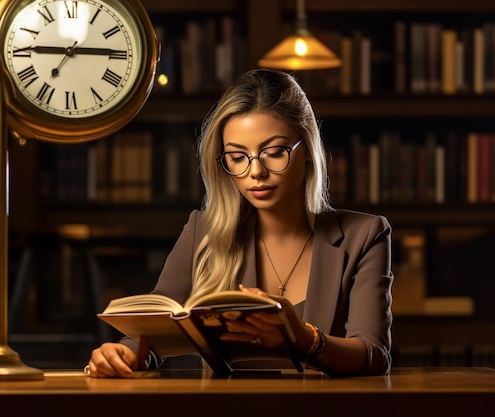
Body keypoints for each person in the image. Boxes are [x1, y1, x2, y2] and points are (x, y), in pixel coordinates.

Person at [87, 68, 393, 378]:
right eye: (237, 156)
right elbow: (152, 329)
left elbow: (373, 355)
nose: (255, 172)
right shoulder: (202, 231)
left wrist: (304, 339)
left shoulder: (364, 235)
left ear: (309, 150)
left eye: (273, 152)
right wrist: (123, 353)